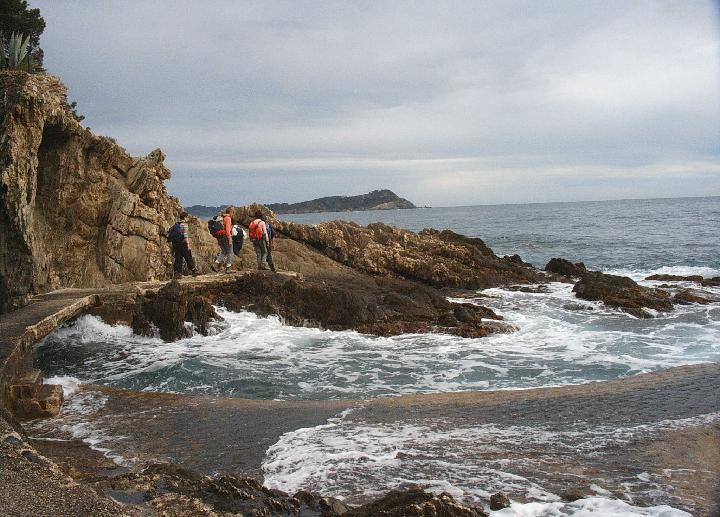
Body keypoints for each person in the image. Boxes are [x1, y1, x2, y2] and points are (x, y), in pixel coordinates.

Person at [166, 211, 199, 279]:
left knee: (178, 258)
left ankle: (177, 273)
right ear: (185, 217)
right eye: (187, 217)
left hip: (176, 244)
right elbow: (185, 235)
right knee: (188, 256)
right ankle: (193, 270)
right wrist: (188, 245)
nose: (188, 219)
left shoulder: (176, 224)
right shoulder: (184, 225)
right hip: (183, 243)